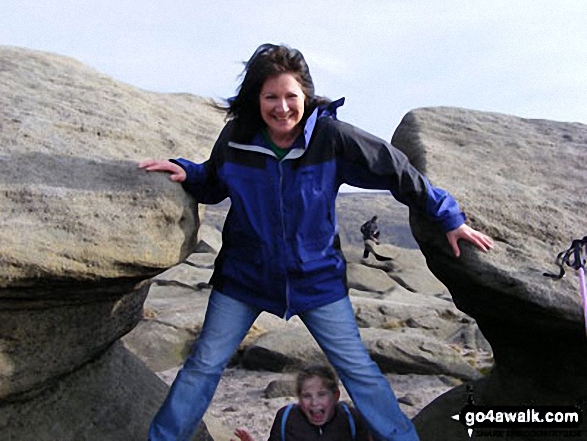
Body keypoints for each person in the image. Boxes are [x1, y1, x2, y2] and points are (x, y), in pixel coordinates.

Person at [139, 43, 494, 441]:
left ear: (305, 95)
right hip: (244, 278)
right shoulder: (237, 138)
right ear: (256, 97)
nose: (282, 107)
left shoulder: (330, 138)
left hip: (317, 280)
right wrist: (187, 172)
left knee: (358, 370)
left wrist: (447, 215)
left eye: (291, 96)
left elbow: (396, 169)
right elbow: (215, 180)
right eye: (271, 96)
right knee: (203, 365)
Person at [231, 364, 372, 441]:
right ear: (298, 398)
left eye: (322, 394)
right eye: (307, 396)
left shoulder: (351, 418)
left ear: (335, 396)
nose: (314, 403)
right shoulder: (286, 418)